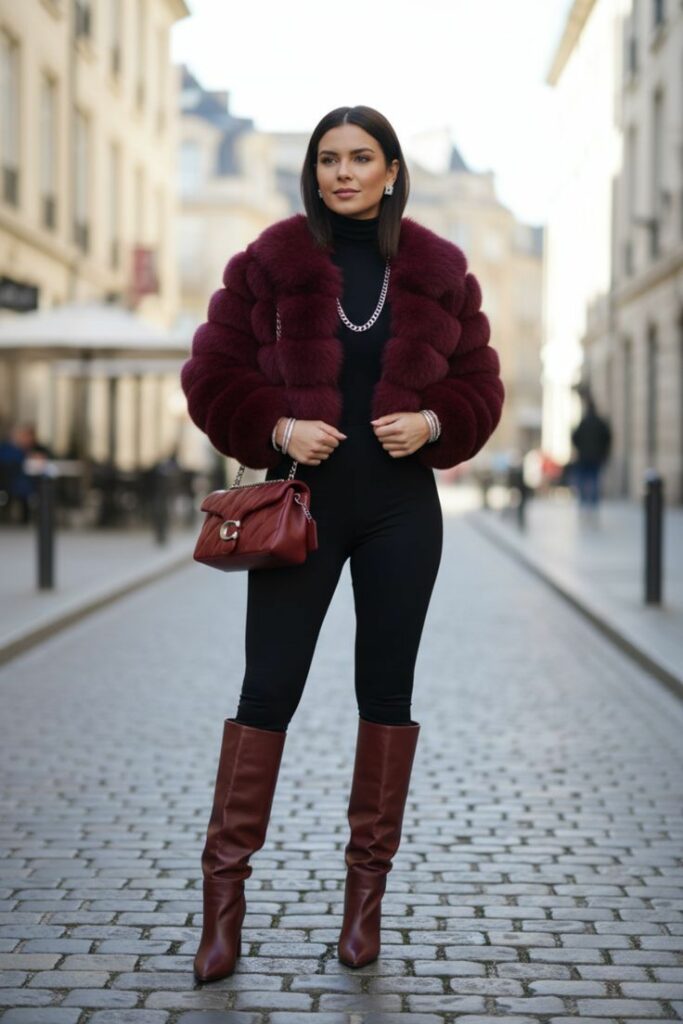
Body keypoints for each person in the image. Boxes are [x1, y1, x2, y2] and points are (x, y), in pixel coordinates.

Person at [181, 105, 505, 983]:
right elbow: (210, 374)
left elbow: (481, 384)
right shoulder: (269, 261)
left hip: (402, 511)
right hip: (299, 509)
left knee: (386, 695)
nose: (344, 173)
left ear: (392, 170)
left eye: (362, 158)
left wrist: (434, 421)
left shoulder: (439, 270)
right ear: (313, 172)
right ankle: (222, 908)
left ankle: (364, 906)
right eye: (328, 159)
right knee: (267, 690)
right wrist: (278, 427)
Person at [570, 394, 612, 513]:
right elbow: (607, 438)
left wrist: (579, 448)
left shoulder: (583, 422)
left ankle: (584, 501)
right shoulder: (600, 423)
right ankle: (593, 503)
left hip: (584, 456)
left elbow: (575, 437)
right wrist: (604, 452)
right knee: (594, 479)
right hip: (596, 457)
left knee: (583, 479)